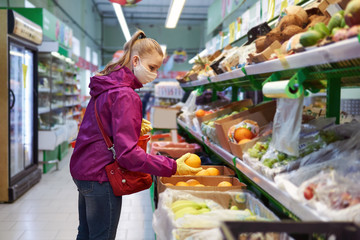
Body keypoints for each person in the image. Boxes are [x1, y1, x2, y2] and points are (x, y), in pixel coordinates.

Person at [69, 30, 201, 240]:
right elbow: (127, 155)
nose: (155, 74)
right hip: (102, 175)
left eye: (157, 69)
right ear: (136, 60)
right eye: (152, 67)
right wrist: (172, 166)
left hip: (84, 170)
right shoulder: (125, 95)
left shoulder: (107, 86)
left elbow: (95, 126)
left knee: (85, 234)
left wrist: (132, 126)